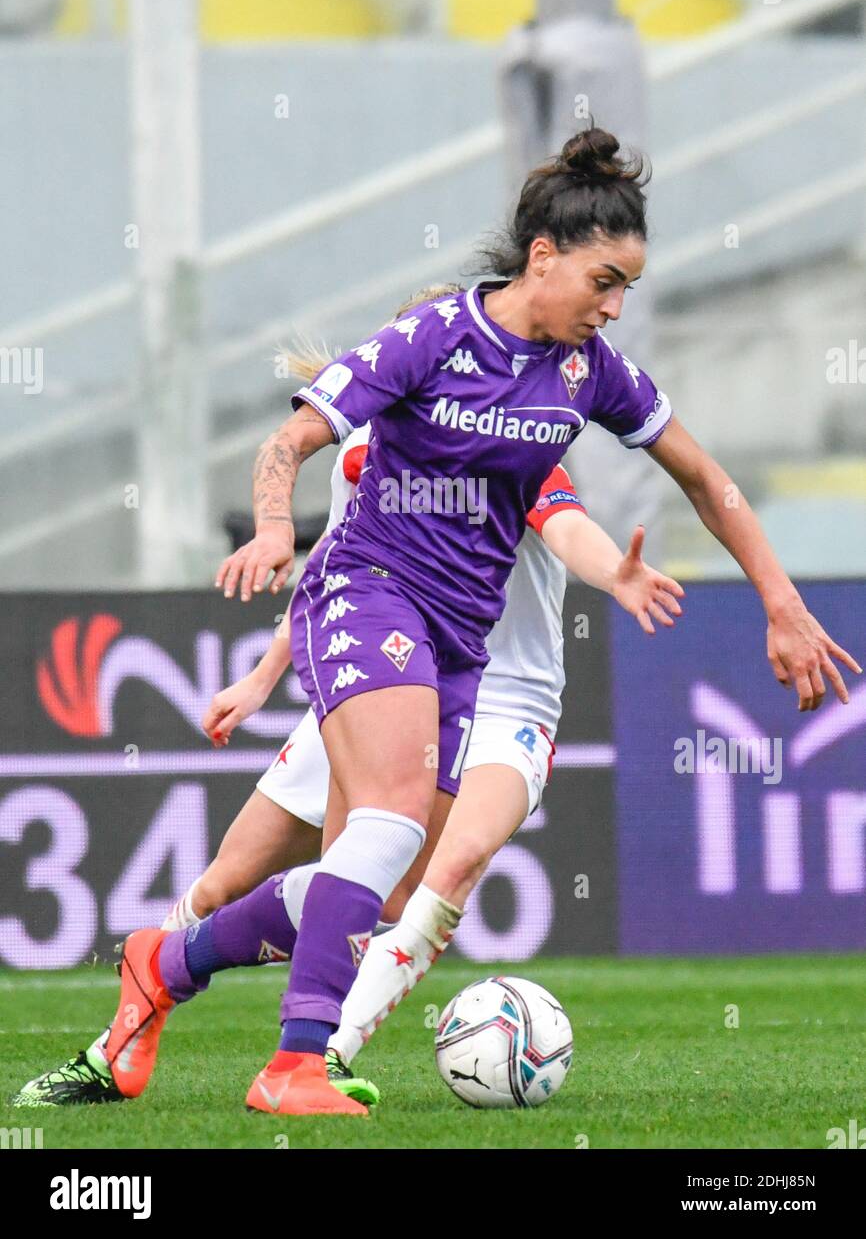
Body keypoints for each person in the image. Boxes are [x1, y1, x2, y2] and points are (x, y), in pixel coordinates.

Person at [20, 126, 858, 1119]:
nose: (613, 305)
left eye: (626, 286)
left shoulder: (585, 377)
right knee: (375, 827)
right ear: (541, 255)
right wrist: (277, 532)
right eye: (602, 279)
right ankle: (294, 1063)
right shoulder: (429, 342)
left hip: (452, 647)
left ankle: (167, 962)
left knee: (362, 882)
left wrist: (778, 600)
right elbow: (291, 438)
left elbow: (703, 479)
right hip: (369, 600)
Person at [13, 382, 685, 1111]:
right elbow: (337, 567)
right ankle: (124, 1031)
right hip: (382, 678)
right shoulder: (367, 455)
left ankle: (323, 1051)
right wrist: (264, 676)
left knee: (421, 875)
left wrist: (615, 573)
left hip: (502, 698)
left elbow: (565, 529)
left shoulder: (515, 450)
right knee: (228, 882)